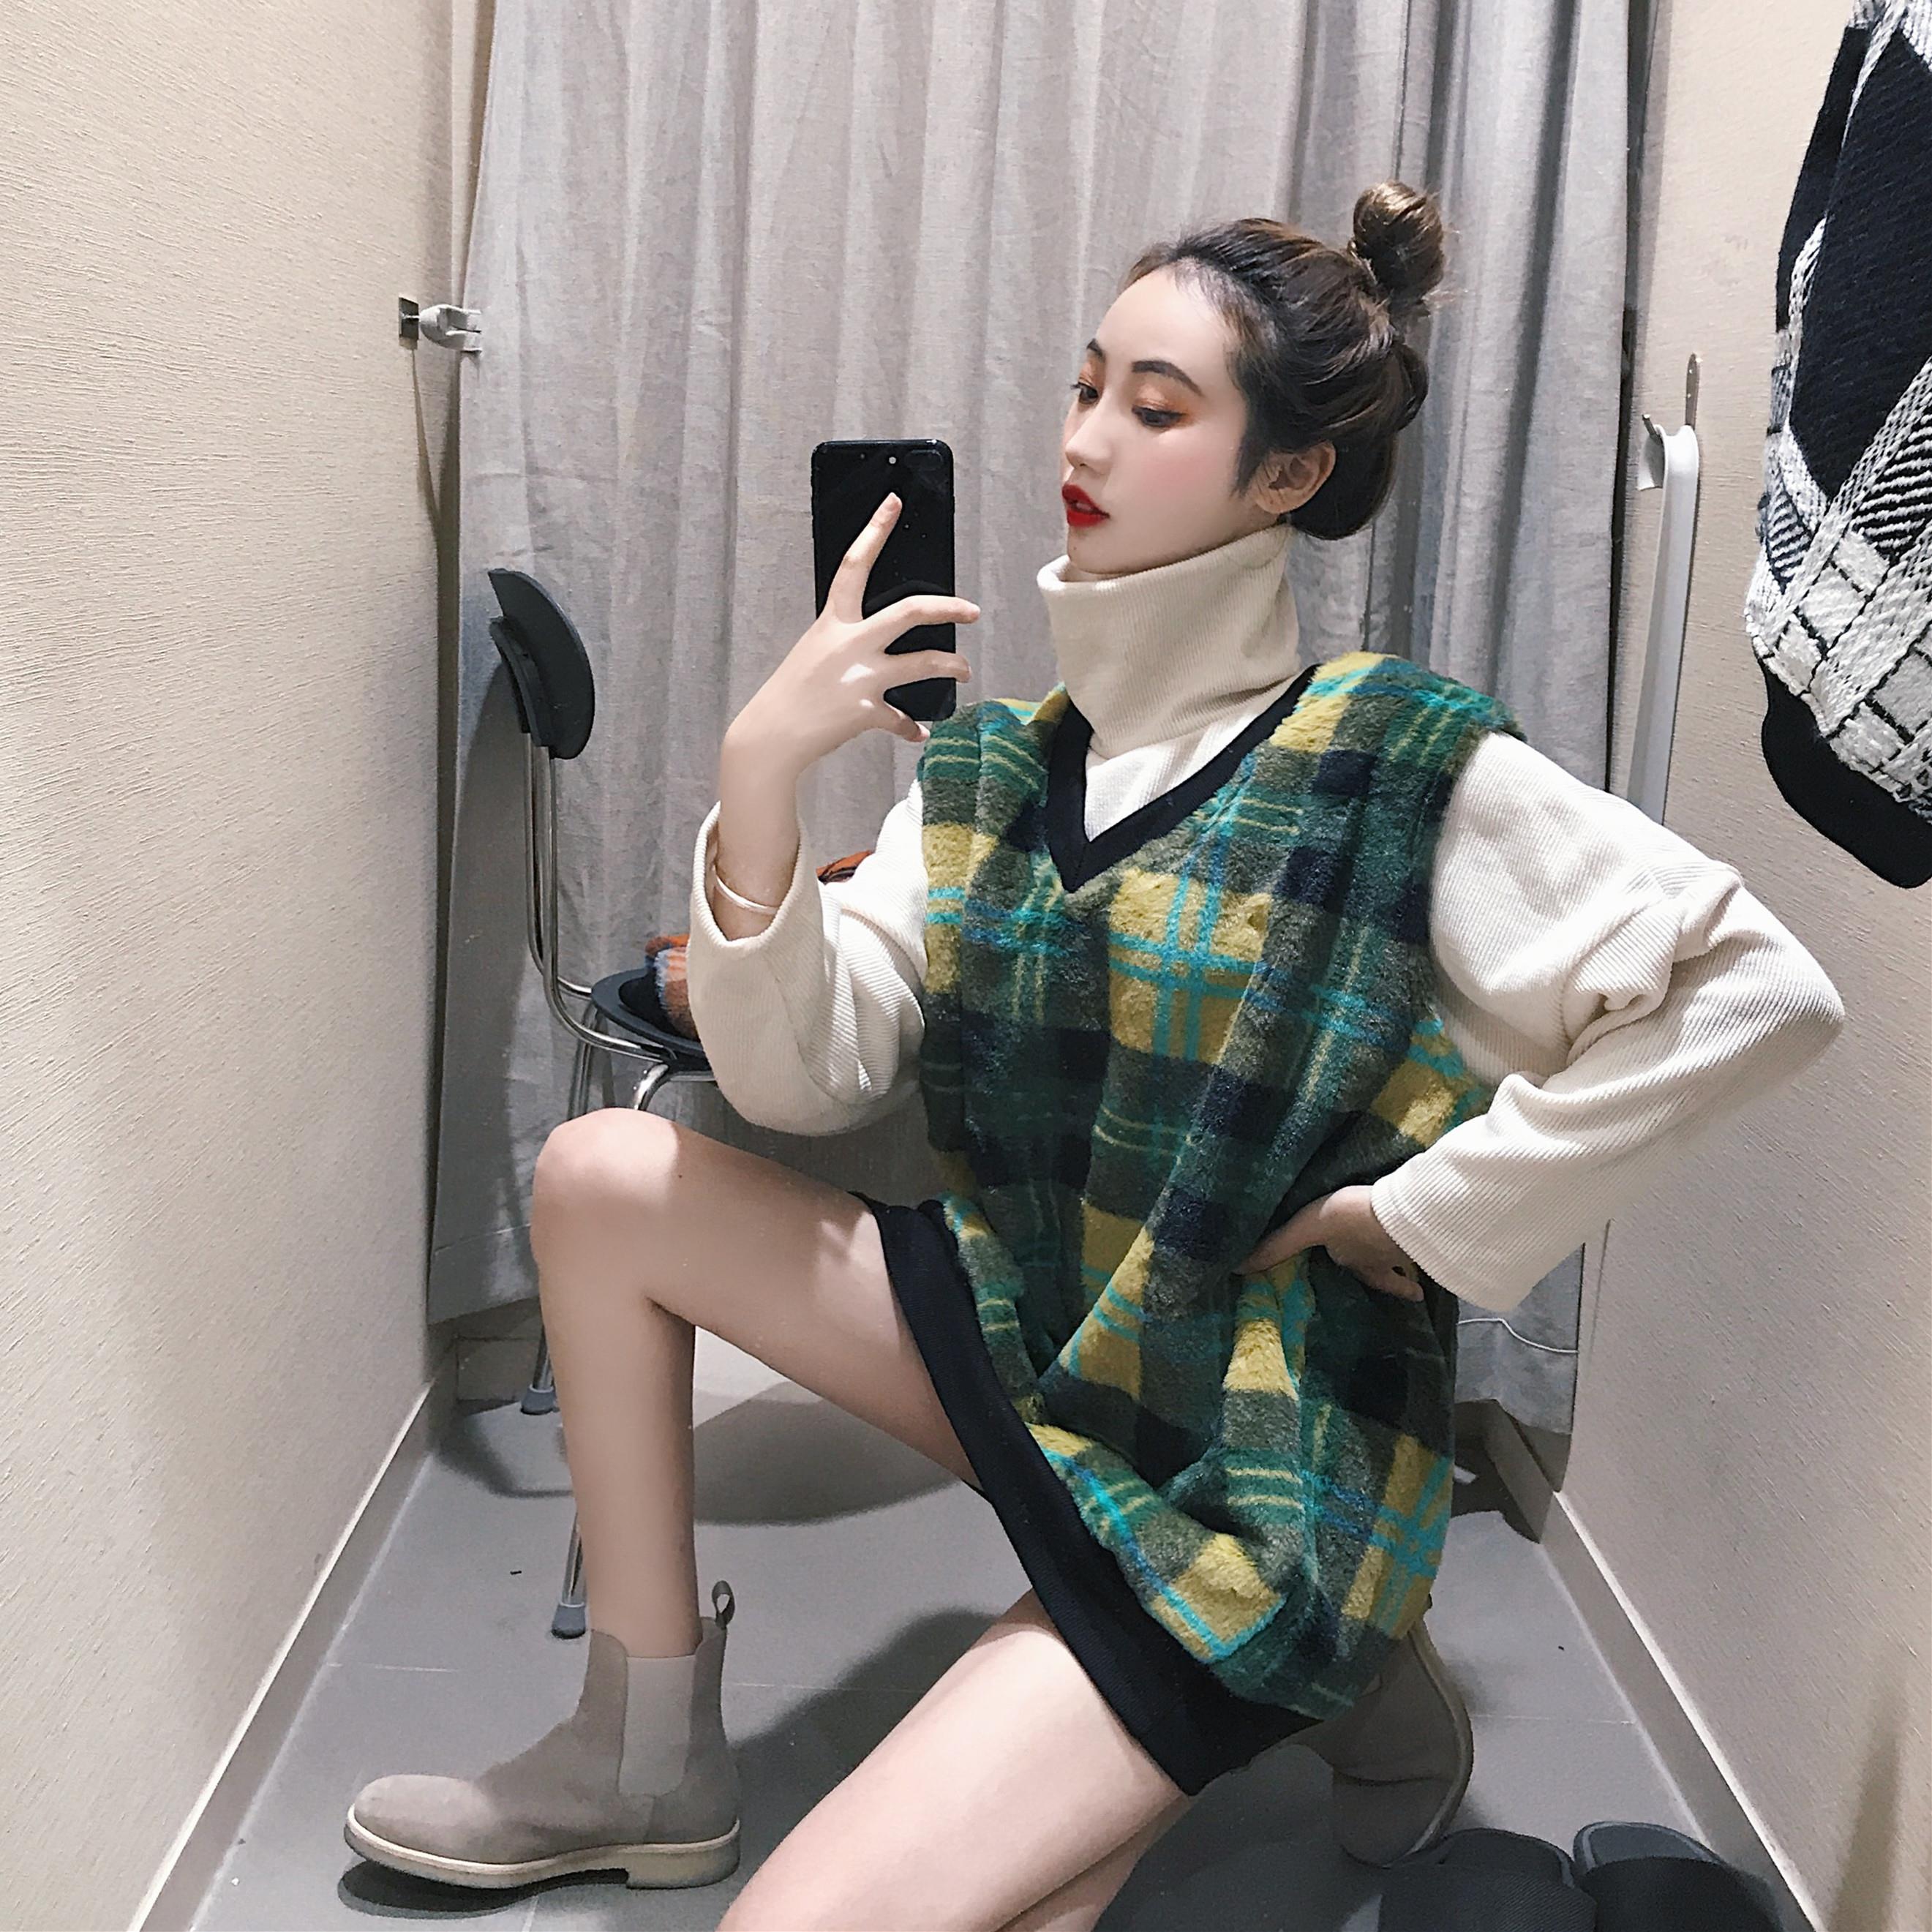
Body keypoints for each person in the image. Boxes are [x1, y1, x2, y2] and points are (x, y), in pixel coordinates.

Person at [345, 184, 1845, 1930]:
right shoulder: (989, 770)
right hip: (1041, 1337)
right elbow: (803, 1083)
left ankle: (1339, 1657)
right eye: (1082, 389)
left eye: (1156, 406)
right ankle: (641, 1750)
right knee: (601, 1172)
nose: (1085, 441)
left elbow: (1758, 991)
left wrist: (1429, 1215)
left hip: (1246, 1465)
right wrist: (759, 782)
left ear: (1286, 474)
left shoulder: (1390, 756)